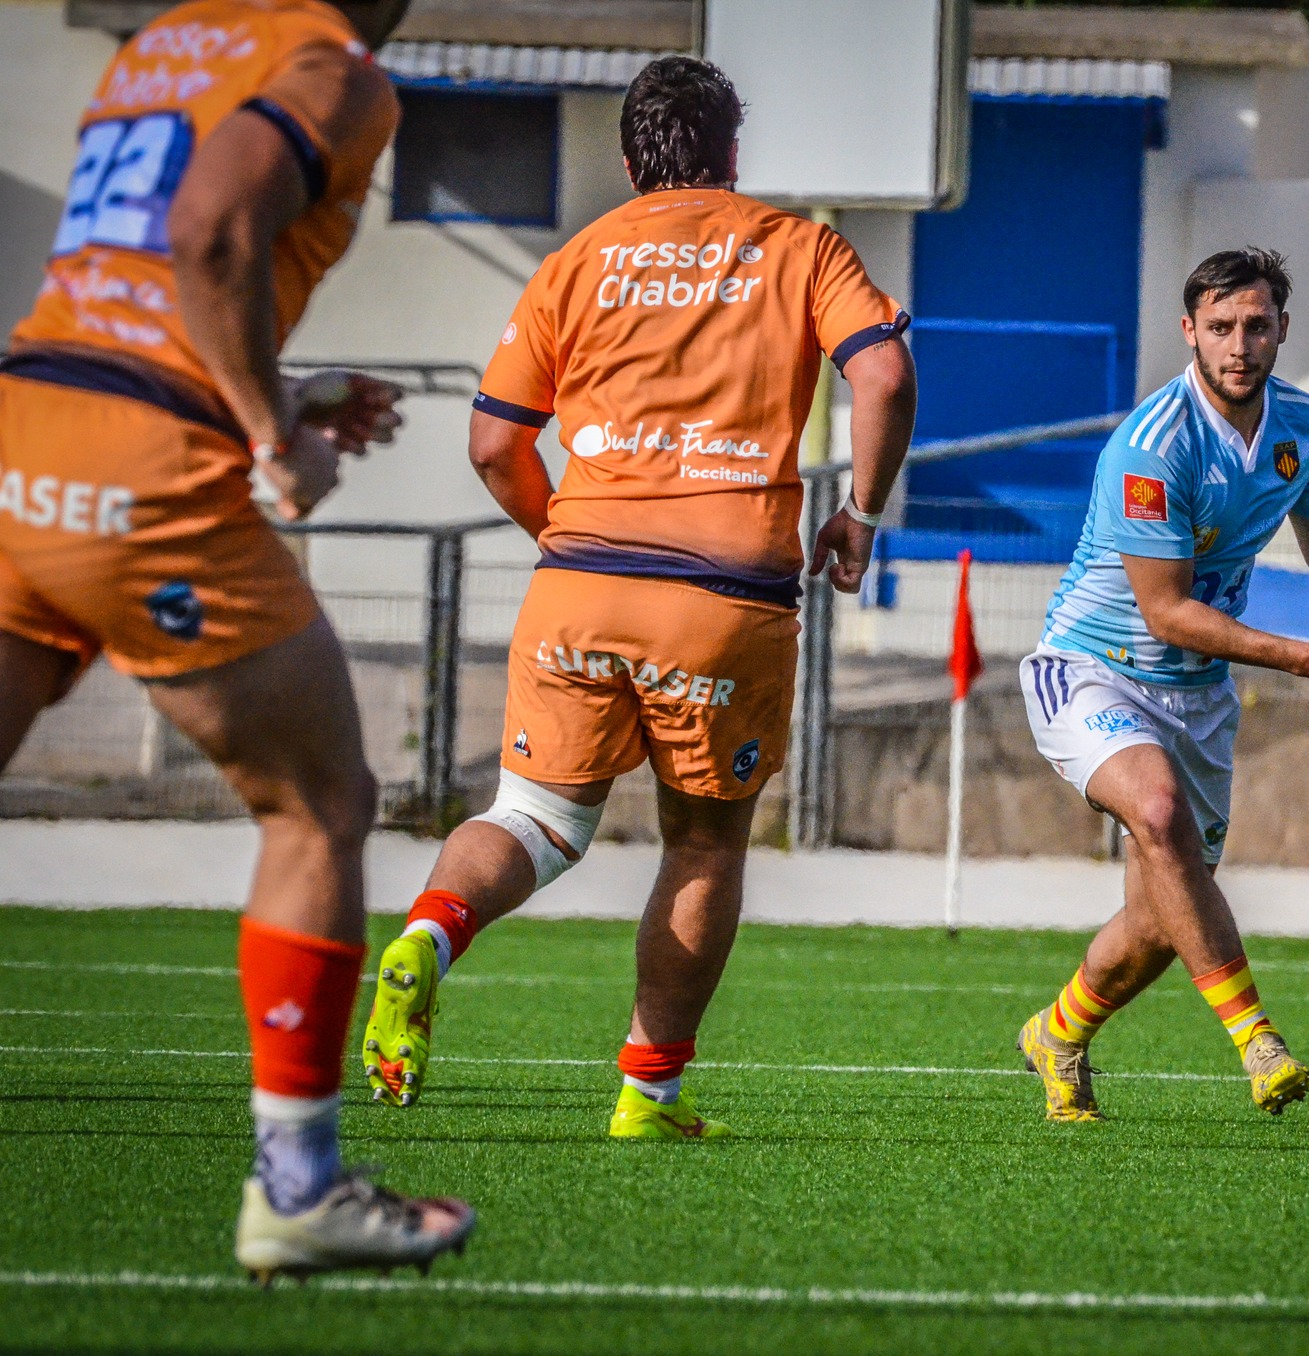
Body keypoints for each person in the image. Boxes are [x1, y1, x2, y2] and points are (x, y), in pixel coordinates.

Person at [0, 0, 476, 1280]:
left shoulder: (168, 39)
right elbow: (211, 228)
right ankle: (300, 1190)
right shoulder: (337, 68)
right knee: (319, 800)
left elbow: (141, 277)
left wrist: (281, 383)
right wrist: (275, 434)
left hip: (28, 425)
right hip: (146, 473)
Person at [359, 55, 916, 1141]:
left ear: (628, 160)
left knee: (532, 816)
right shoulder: (797, 244)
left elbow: (491, 441)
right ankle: (647, 1093)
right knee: (703, 843)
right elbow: (883, 376)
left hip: (579, 584)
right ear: (731, 155)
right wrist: (860, 514)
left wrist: (566, 538)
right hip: (723, 595)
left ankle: (431, 929)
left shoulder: (576, 261)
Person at [1014, 248, 1309, 1122]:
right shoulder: (1152, 446)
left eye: (1257, 325)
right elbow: (1167, 612)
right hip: (1091, 668)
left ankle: (1059, 1033)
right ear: (1188, 331)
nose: (1240, 345)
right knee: (1158, 814)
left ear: (1282, 330)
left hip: (1196, 697)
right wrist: (1307, 659)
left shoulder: (1303, 427)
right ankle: (1257, 1041)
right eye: (1221, 327)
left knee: (1160, 920)